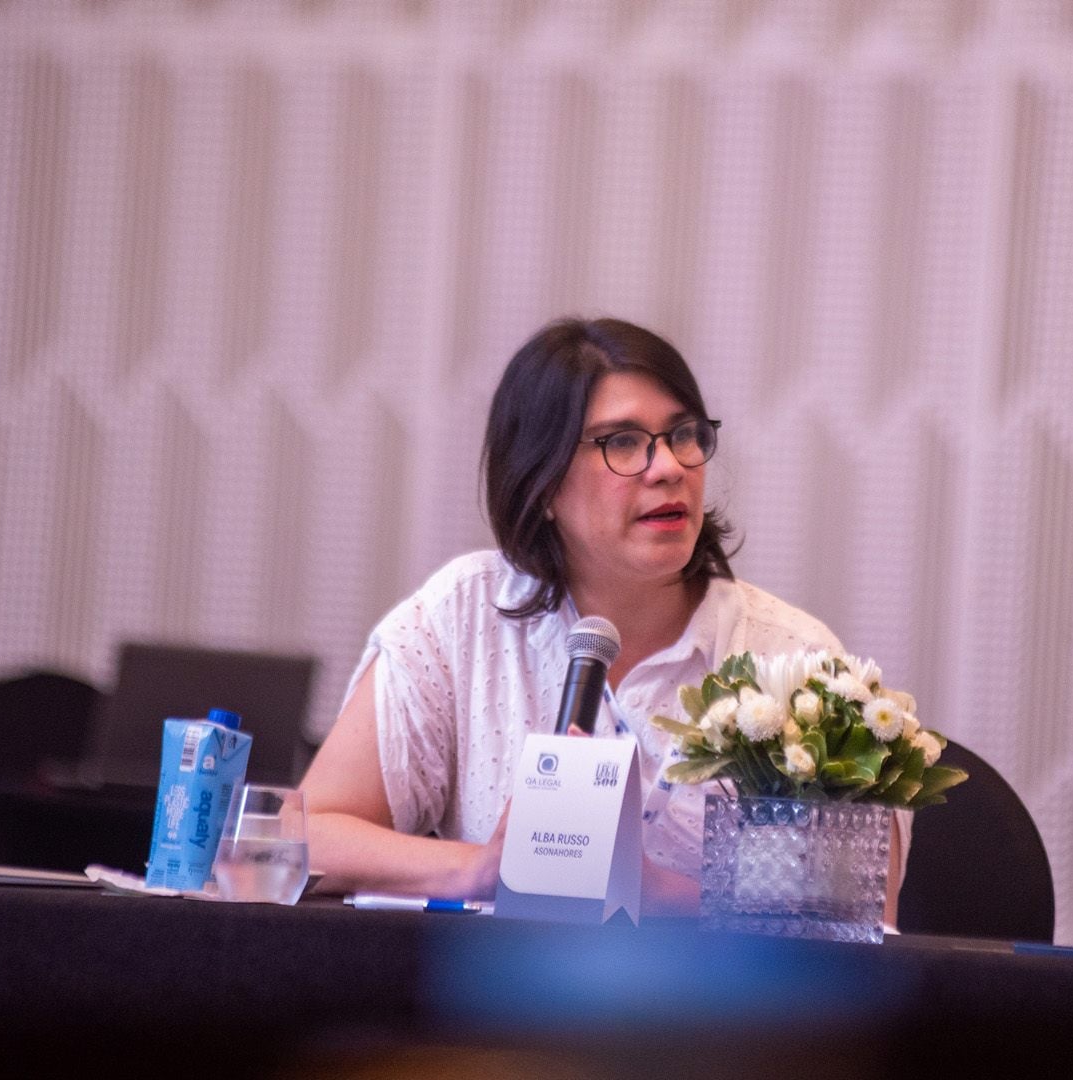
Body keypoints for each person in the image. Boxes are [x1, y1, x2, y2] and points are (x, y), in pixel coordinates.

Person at [300, 317, 905, 916]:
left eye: (683, 435)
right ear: (542, 484)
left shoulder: (795, 662)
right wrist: (480, 869)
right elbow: (305, 834)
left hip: (715, 986)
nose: (669, 468)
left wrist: (656, 892)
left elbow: (862, 911)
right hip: (503, 980)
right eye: (622, 442)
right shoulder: (463, 618)